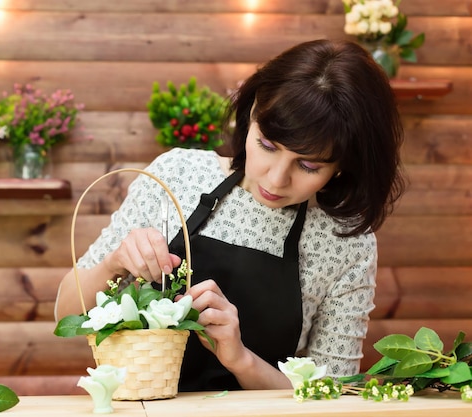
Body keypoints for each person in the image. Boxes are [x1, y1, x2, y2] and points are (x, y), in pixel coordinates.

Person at [55, 39, 406, 392]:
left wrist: (241, 359)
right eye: (268, 146)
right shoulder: (179, 175)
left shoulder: (344, 241)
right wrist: (114, 264)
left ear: (344, 165)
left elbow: (331, 395)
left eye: (309, 165)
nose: (276, 178)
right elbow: (66, 315)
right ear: (251, 114)